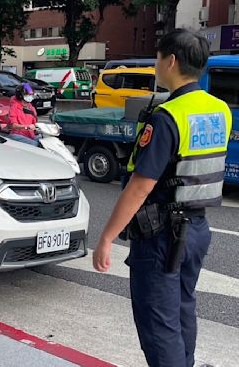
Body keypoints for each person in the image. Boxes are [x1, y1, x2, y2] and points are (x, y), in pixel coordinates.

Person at [93, 28, 232, 367]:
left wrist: (107, 238)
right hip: (196, 230)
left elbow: (140, 186)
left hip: (161, 237)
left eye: (157, 58)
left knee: (158, 322)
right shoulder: (220, 110)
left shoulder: (168, 117)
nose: (156, 65)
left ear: (171, 61)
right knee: (183, 308)